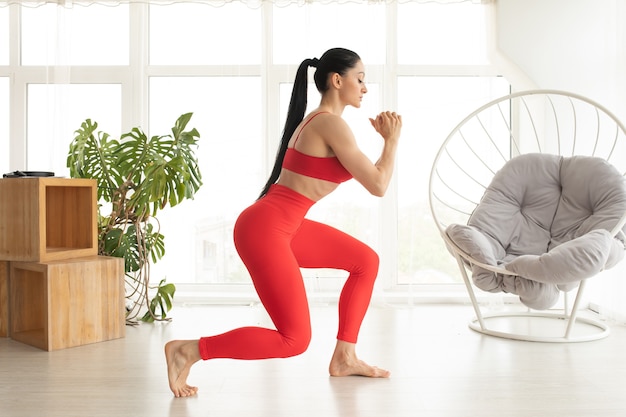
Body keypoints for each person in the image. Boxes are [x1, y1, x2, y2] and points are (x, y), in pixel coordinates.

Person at [165, 47, 402, 398]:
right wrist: (392, 140)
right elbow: (379, 184)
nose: (365, 88)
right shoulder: (329, 123)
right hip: (266, 228)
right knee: (293, 340)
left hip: (281, 223)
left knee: (366, 261)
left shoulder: (319, 120)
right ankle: (188, 350)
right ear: (337, 80)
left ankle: (344, 356)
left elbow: (372, 178)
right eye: (361, 79)